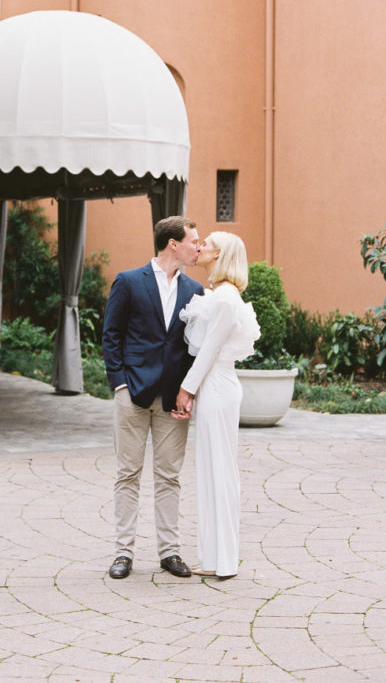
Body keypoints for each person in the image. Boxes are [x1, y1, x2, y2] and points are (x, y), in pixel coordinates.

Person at [101, 215, 203, 580]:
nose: (199, 247)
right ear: (172, 243)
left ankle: (170, 552)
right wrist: (119, 384)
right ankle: (123, 554)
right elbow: (111, 335)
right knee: (127, 473)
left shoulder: (195, 291)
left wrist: (189, 391)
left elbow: (195, 347)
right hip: (133, 392)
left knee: (169, 476)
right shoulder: (129, 282)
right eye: (194, 240)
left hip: (173, 399)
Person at [172, 231, 260, 580]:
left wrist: (186, 389)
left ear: (220, 254)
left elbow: (208, 350)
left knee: (219, 471)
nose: (200, 246)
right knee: (211, 471)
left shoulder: (224, 298)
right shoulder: (223, 294)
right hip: (215, 385)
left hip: (217, 386)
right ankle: (213, 557)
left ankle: (223, 560)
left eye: (206, 243)